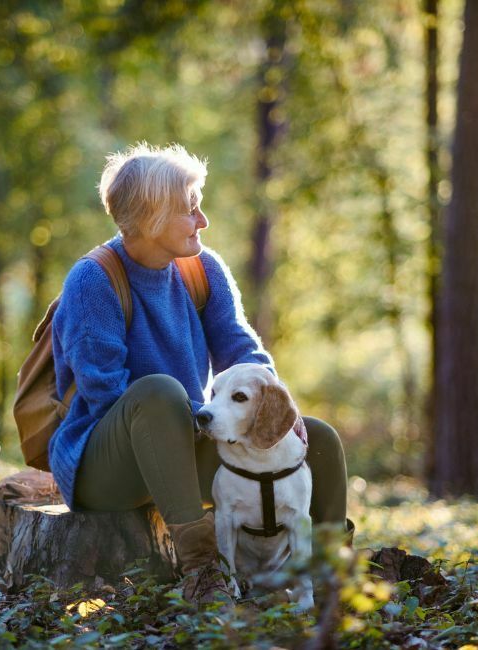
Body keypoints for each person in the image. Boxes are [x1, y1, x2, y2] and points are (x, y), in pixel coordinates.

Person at [48, 142, 350, 606]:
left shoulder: (203, 269)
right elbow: (105, 392)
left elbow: (244, 351)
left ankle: (328, 576)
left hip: (188, 441)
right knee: (158, 393)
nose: (203, 221)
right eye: (191, 210)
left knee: (319, 438)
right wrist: (205, 416)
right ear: (151, 217)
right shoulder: (94, 280)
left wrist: (275, 408)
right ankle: (204, 572)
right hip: (108, 463)